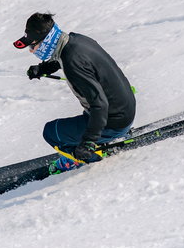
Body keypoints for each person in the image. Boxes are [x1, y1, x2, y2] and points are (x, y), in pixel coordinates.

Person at [14, 12, 136, 172]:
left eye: (32, 45)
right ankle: (101, 138)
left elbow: (100, 105)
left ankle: (85, 158)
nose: (31, 50)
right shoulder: (75, 41)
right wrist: (43, 68)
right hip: (124, 109)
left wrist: (88, 143)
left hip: (113, 121)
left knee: (52, 132)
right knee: (78, 121)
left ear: (47, 41)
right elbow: (64, 58)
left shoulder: (72, 62)